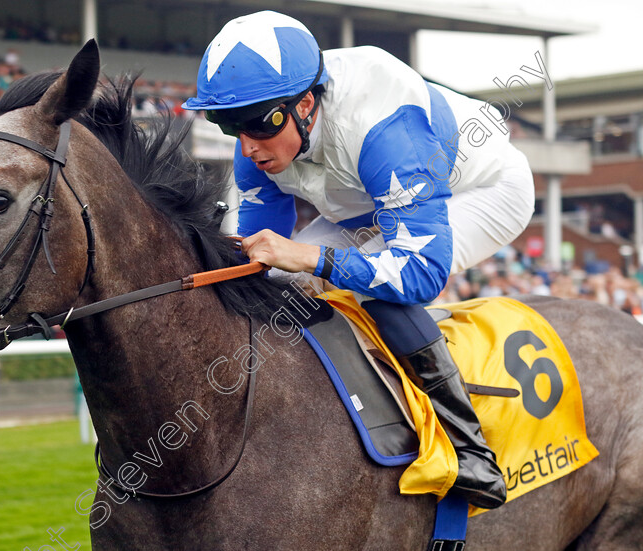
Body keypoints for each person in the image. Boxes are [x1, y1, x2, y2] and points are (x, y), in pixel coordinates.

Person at [183, 11, 535, 509]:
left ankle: (469, 449)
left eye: (259, 125)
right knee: (281, 277)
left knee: (374, 285)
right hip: (370, 202)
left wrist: (310, 256)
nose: (246, 145)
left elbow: (418, 274)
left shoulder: (384, 128)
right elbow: (260, 255)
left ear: (306, 103)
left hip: (480, 190)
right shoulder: (257, 134)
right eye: (226, 125)